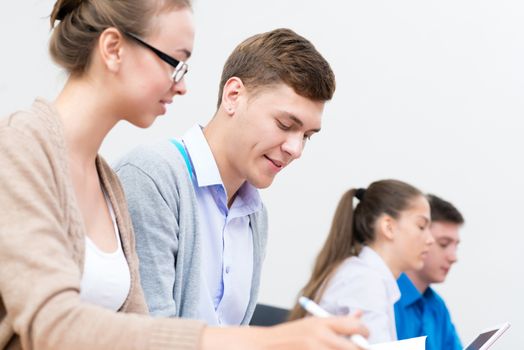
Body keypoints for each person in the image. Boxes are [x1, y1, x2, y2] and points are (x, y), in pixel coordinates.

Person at [0, 0, 368, 349]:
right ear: (113, 48)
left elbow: (137, 326)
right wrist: (272, 340)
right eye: (174, 63)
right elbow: (54, 324)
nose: (182, 85)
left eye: (306, 136)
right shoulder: (19, 147)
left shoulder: (105, 182)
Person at [115, 28, 334, 326]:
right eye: (285, 124)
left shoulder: (255, 216)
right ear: (233, 96)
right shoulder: (153, 177)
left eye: (307, 136)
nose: (295, 149)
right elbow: (148, 336)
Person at [289, 179, 435, 344]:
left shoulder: (365, 275)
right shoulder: (364, 280)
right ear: (388, 227)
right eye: (421, 226)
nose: (430, 239)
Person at [394, 194, 464, 350]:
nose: (453, 257)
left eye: (456, 246)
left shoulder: (437, 306)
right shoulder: (385, 296)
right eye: (444, 244)